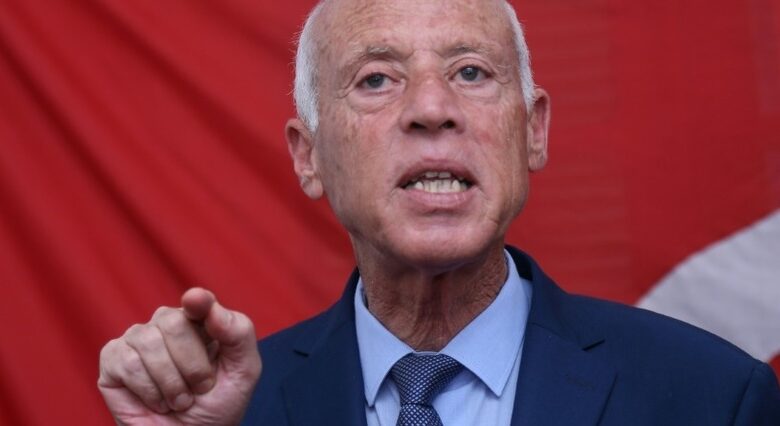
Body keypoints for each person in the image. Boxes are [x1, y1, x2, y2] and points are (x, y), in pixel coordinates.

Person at [98, 0, 780, 424]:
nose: (431, 108)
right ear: (309, 156)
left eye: (471, 72)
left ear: (533, 130)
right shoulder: (230, 409)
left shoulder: (712, 397)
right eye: (376, 79)